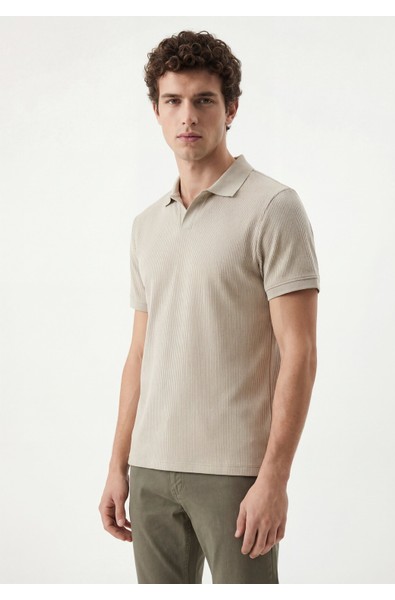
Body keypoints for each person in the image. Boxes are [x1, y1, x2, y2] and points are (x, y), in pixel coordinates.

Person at [99, 29, 320, 585]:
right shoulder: (146, 225)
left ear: (231, 109)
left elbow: (299, 353)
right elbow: (139, 355)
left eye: (204, 100)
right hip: (150, 471)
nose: (188, 116)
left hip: (235, 474)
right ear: (156, 111)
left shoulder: (273, 207)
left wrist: (274, 478)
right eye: (173, 101)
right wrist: (118, 465)